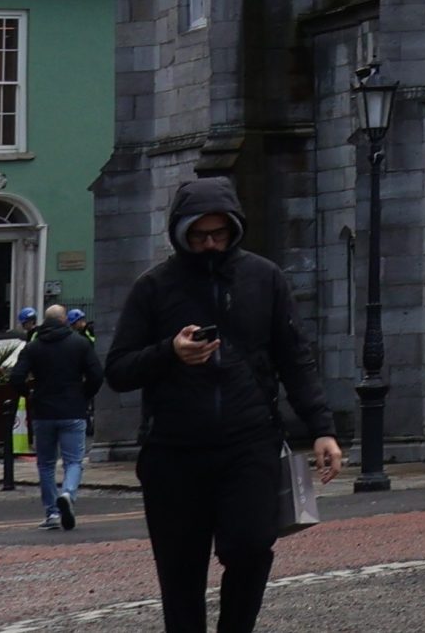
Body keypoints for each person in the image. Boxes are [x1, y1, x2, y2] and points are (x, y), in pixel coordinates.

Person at [106, 177, 344, 633]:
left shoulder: (264, 277)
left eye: (219, 234)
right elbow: (118, 370)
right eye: (199, 235)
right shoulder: (154, 287)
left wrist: (322, 428)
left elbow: (295, 357)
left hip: (249, 442)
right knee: (181, 574)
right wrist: (169, 353)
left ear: (234, 229)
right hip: (173, 450)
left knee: (252, 546)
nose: (211, 244)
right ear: (181, 233)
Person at [19, 300, 106, 530]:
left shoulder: (33, 347)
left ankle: (52, 514)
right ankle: (68, 493)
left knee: (46, 465)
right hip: (73, 409)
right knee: (73, 461)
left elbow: (16, 377)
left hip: (43, 411)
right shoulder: (79, 344)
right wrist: (84, 395)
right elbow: (97, 374)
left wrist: (29, 394)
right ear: (64, 319)